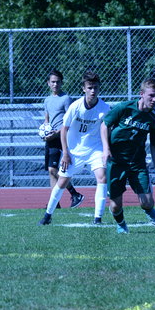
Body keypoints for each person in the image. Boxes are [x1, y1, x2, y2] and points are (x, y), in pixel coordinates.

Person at [39, 71, 110, 225]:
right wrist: (65, 153)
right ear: (83, 88)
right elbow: (64, 129)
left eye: (95, 87)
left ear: (99, 88)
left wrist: (106, 150)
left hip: (94, 149)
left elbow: (106, 129)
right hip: (74, 151)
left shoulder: (104, 108)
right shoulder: (75, 106)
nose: (93, 91)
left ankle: (98, 219)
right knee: (62, 181)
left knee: (102, 177)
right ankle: (47, 215)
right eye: (89, 87)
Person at [101, 78, 155, 234]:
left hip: (137, 163)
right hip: (116, 162)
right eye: (151, 95)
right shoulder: (124, 108)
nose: (154, 99)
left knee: (147, 202)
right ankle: (121, 223)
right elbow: (104, 125)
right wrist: (106, 148)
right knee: (115, 206)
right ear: (141, 94)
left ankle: (148, 210)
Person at [42, 69, 84, 209]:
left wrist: (57, 133)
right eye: (53, 82)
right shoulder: (47, 100)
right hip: (51, 138)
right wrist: (44, 131)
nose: (55, 84)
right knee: (51, 171)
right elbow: (47, 119)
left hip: (62, 137)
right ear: (48, 83)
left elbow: (70, 120)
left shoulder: (66, 99)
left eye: (58, 82)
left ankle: (74, 193)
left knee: (55, 170)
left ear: (61, 83)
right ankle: (56, 203)